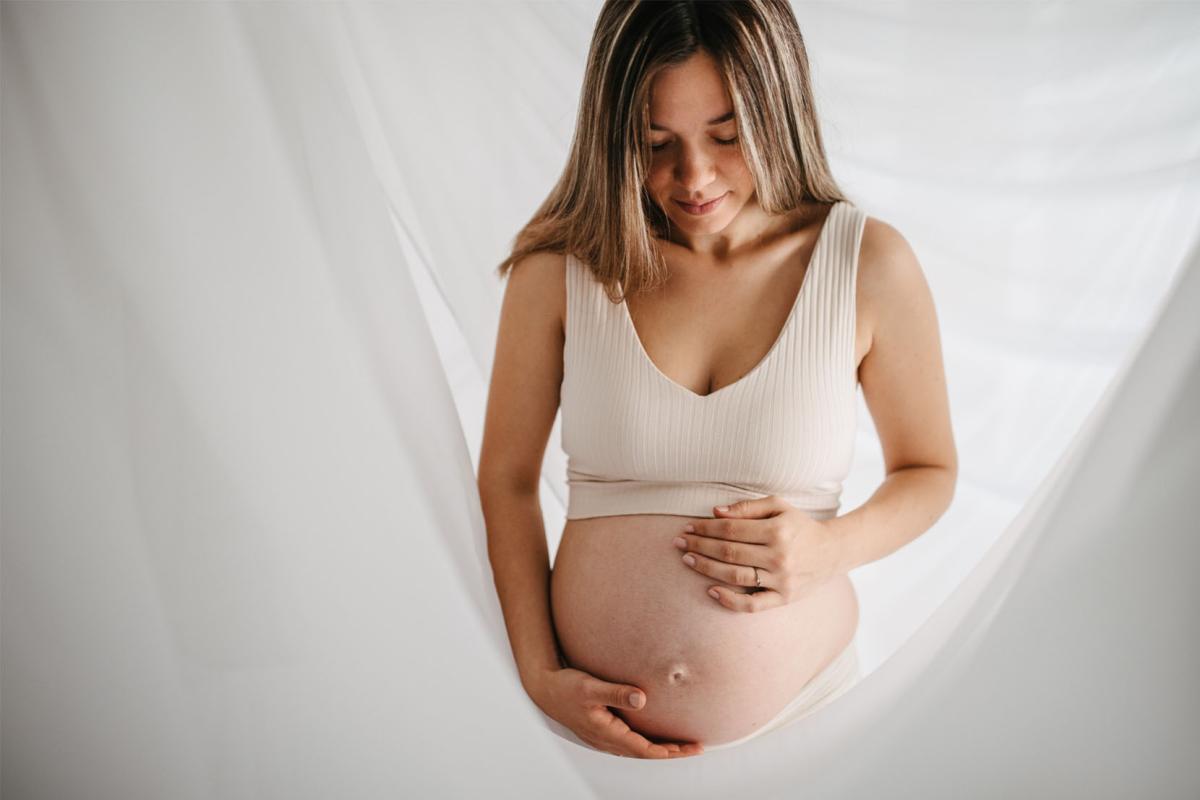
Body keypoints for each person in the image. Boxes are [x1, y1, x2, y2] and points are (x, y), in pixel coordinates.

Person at [477, 0, 957, 760]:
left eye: (728, 137)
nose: (692, 177)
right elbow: (505, 479)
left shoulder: (866, 264)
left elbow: (929, 472)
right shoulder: (558, 274)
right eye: (654, 142)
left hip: (809, 727)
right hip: (586, 748)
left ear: (781, 112)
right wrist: (540, 674)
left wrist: (831, 549)